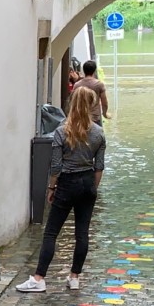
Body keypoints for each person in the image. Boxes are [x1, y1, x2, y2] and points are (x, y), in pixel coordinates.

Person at [15, 86, 106, 293]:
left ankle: (39, 278)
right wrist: (92, 188)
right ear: (92, 105)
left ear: (72, 103)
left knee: (51, 232)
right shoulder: (99, 133)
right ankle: (74, 277)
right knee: (82, 233)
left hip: (67, 182)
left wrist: (51, 187)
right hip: (87, 182)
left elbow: (56, 166)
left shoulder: (61, 132)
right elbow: (99, 166)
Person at [73, 58, 109, 125]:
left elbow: (73, 102)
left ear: (84, 71)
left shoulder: (77, 85)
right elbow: (104, 102)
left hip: (81, 117)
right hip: (95, 117)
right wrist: (105, 113)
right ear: (94, 71)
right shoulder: (99, 84)